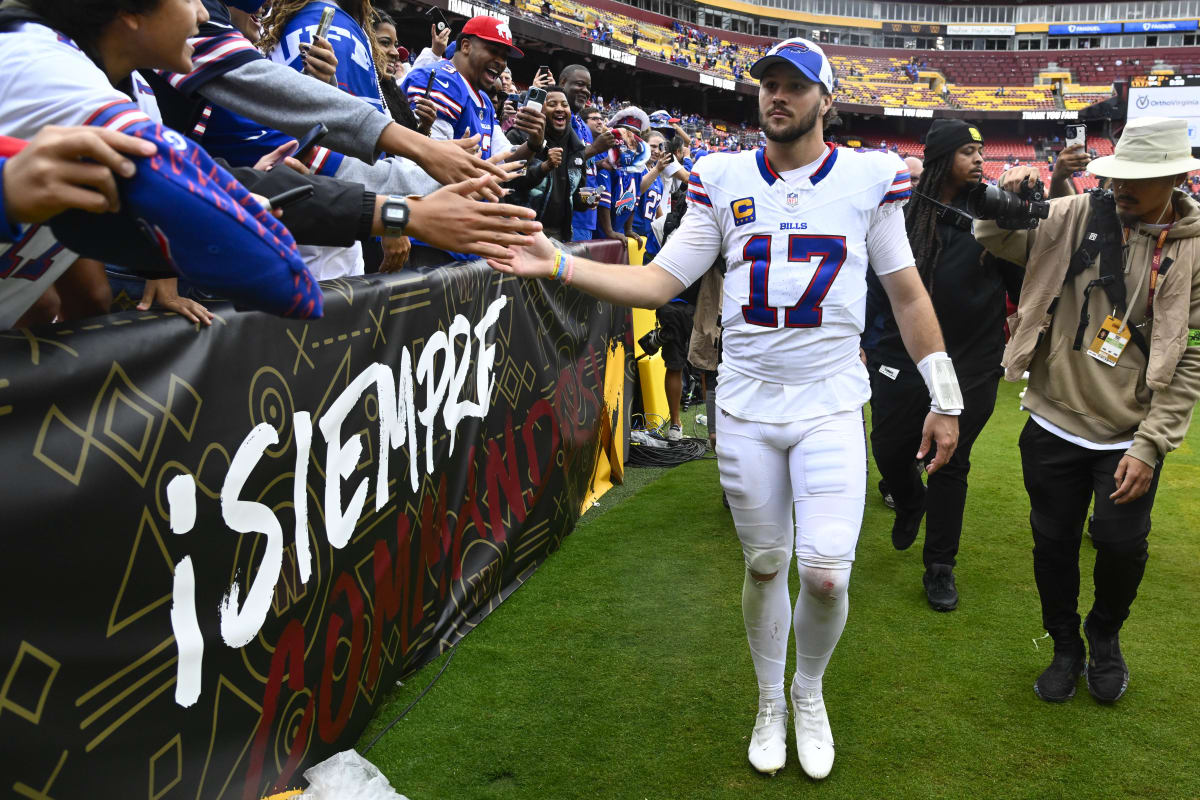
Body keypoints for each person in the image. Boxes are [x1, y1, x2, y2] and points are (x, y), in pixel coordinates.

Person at [486, 38, 960, 780]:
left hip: (831, 400)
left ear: (825, 99)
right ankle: (769, 698)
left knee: (828, 573)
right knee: (768, 563)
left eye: (795, 86)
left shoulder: (869, 179)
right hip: (744, 404)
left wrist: (947, 397)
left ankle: (809, 691)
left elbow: (906, 293)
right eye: (768, 84)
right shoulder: (723, 175)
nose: (777, 96)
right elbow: (658, 282)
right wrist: (554, 260)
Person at [975, 117, 1200, 705]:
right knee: (1052, 543)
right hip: (1053, 418)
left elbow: (1191, 362)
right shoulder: (1079, 213)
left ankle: (1105, 636)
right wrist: (1015, 205)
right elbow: (997, 237)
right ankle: (1065, 645)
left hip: (1129, 434)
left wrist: (1150, 446)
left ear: (1176, 177)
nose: (1122, 188)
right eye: (1118, 176)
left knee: (1122, 545)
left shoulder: (1196, 248)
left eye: (1139, 180)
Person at [864, 120, 1021, 611]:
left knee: (952, 463)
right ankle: (910, 501)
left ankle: (940, 566)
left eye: (981, 151)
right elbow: (874, 284)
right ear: (939, 159)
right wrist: (865, 338)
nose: (978, 159)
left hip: (972, 362)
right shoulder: (902, 215)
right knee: (889, 450)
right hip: (902, 355)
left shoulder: (995, 218)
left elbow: (1019, 285)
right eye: (966, 151)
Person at [509, 87, 592, 241]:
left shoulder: (577, 148)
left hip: (559, 235)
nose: (560, 109)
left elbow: (578, 201)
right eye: (553, 104)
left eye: (564, 104)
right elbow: (509, 182)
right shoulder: (520, 137)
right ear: (541, 109)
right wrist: (543, 168)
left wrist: (589, 199)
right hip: (521, 232)